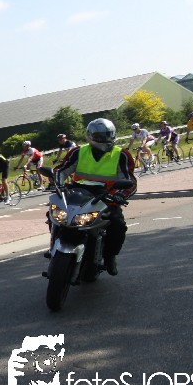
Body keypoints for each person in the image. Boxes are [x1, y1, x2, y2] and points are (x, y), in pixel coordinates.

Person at [53, 118, 137, 275]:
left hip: (106, 198)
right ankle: (54, 244)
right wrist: (58, 185)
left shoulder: (121, 155)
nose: (104, 139)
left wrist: (121, 194)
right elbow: (61, 170)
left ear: (113, 135)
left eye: (107, 135)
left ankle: (110, 256)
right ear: (90, 136)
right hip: (77, 195)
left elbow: (129, 180)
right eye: (99, 136)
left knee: (118, 226)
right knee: (56, 215)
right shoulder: (78, 152)